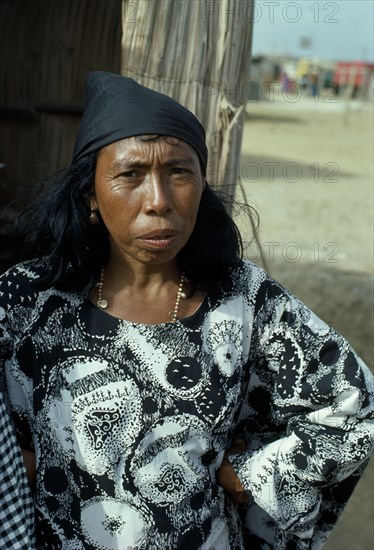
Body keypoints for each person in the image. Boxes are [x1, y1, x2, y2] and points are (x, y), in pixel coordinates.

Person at [0, 71, 373, 549]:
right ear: (91, 195)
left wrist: (255, 473)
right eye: (130, 175)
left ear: (201, 186)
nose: (159, 201)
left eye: (179, 172)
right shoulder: (29, 300)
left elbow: (355, 408)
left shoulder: (244, 299)